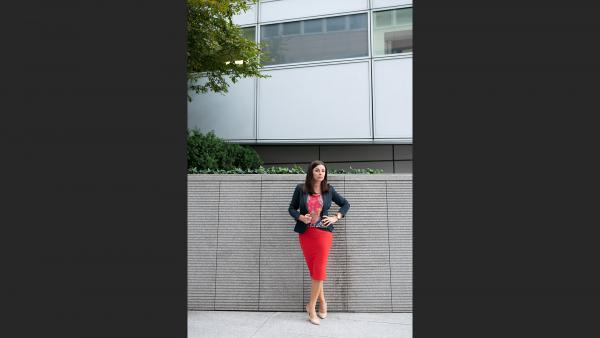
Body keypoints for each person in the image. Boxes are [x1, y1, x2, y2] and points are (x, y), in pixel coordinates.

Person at [288, 160, 350, 325]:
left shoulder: (329, 190)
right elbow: (291, 208)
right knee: (314, 271)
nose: (321, 173)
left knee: (319, 270)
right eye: (317, 170)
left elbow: (345, 204)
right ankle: (323, 302)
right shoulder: (300, 189)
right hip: (306, 234)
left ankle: (311, 307)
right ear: (311, 172)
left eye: (323, 170)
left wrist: (335, 217)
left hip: (323, 234)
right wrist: (300, 217)